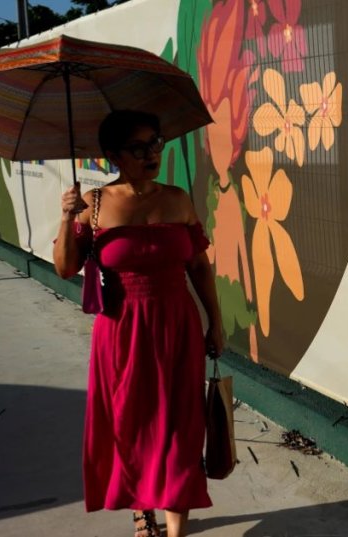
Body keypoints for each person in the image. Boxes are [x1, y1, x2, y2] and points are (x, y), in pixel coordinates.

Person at [53, 110, 224, 537]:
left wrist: (215, 321)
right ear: (113, 155)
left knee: (183, 424)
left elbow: (199, 267)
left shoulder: (178, 198)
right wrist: (65, 217)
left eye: (156, 142)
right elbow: (64, 269)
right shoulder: (92, 204)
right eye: (139, 147)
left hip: (177, 325)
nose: (152, 153)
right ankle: (141, 508)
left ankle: (176, 525)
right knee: (133, 424)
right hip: (122, 328)